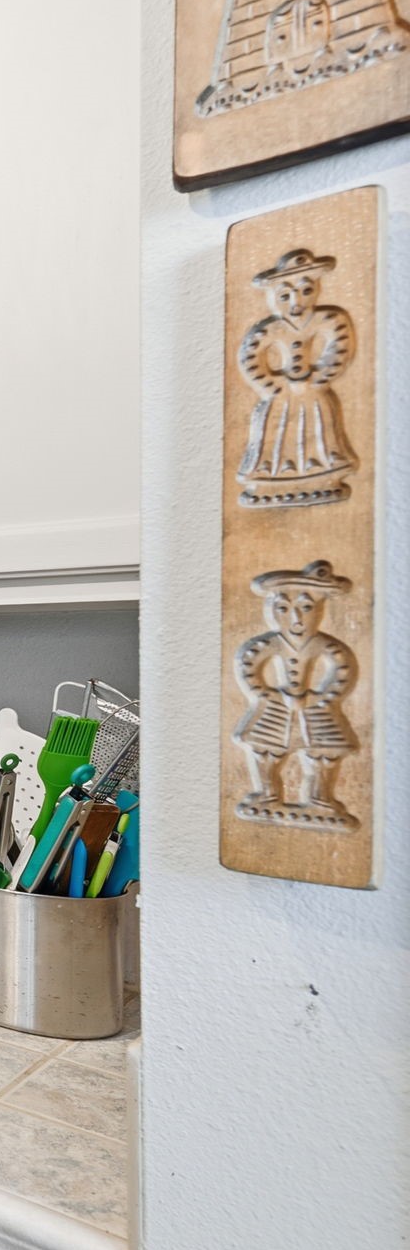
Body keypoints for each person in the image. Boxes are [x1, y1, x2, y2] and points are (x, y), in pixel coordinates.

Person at [231, 560, 359, 830]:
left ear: (318, 610)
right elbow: (249, 667)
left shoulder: (325, 645)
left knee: (324, 752)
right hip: (276, 708)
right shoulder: (269, 644)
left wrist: (319, 698)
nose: (296, 619)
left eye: (306, 608)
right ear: (273, 611)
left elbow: (342, 670)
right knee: (266, 749)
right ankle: (268, 795)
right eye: (284, 609)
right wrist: (268, 695)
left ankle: (320, 799)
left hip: (315, 710)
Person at [235, 248, 358, 507]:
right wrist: (275, 386)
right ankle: (270, 486)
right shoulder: (271, 328)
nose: (296, 302)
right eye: (285, 295)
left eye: (306, 291)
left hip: (314, 395)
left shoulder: (329, 319)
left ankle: (324, 482)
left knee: (321, 436)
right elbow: (251, 358)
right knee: (278, 441)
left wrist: (319, 378)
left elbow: (340, 346)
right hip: (282, 398)